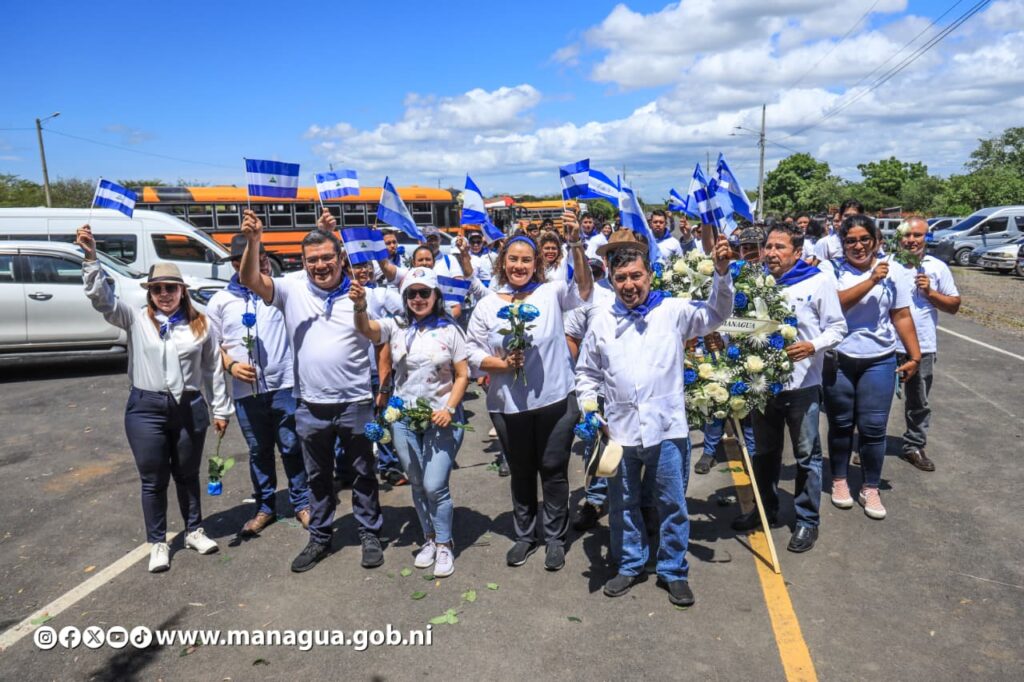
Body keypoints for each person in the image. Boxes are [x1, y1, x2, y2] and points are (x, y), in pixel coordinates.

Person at [575, 232, 734, 606]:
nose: (629, 285)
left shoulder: (674, 311)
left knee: (672, 503)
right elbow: (586, 373)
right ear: (611, 281)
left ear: (650, 276)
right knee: (623, 504)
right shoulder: (601, 321)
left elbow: (716, 315)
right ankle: (630, 564)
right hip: (620, 433)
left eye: (635, 276)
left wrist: (722, 275)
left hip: (667, 429)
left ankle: (673, 570)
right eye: (621, 278)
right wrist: (589, 409)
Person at [239, 209, 389, 572]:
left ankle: (370, 533)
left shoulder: (362, 294)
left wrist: (382, 389)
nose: (320, 265)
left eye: (326, 258)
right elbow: (250, 280)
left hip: (354, 402)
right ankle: (320, 537)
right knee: (317, 477)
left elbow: (382, 339)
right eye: (312, 260)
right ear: (302, 262)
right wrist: (253, 240)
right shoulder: (291, 288)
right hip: (309, 404)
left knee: (362, 472)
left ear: (340, 259)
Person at [76, 225, 231, 573]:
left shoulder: (200, 324)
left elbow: (213, 370)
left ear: (182, 291)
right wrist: (90, 258)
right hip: (146, 408)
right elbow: (101, 299)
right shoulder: (134, 318)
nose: (164, 294)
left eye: (170, 288)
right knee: (153, 478)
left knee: (188, 474)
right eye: (157, 289)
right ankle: (158, 542)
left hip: (189, 406)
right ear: (149, 293)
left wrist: (221, 409)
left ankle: (194, 529)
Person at [466, 211, 593, 570]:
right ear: (502, 263)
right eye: (513, 259)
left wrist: (576, 246)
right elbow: (472, 351)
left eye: (526, 259)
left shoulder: (551, 292)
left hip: (555, 399)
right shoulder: (489, 304)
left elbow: (583, 290)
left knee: (553, 468)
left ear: (536, 263)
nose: (519, 266)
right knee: (522, 471)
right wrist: (502, 365)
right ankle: (525, 535)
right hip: (508, 404)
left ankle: (555, 537)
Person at [732, 223, 847, 552]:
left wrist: (812, 346)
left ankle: (807, 520)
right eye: (768, 246)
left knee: (806, 456)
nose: (770, 253)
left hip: (802, 387)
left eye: (779, 247)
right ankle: (764, 509)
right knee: (764, 454)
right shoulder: (755, 282)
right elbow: (741, 323)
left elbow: (838, 328)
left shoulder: (819, 280)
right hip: (763, 386)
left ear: (798, 252)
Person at [351, 268, 470, 577]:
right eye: (411, 294)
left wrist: (449, 407)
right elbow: (367, 330)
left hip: (441, 418)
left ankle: (445, 543)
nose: (418, 299)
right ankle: (429, 538)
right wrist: (360, 305)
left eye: (424, 293)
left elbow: (462, 375)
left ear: (436, 296)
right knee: (416, 482)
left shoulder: (450, 329)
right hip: (403, 418)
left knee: (435, 485)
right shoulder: (397, 325)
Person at [206, 234, 310, 537]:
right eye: (248, 259)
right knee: (259, 451)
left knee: (291, 447)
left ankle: (302, 502)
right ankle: (265, 507)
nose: (258, 262)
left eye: (261, 256)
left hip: (284, 387)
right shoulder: (220, 301)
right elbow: (214, 348)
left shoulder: (279, 292)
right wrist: (232, 365)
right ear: (237, 264)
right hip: (246, 394)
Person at [823, 214, 921, 520]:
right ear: (842, 244)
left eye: (865, 239)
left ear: (876, 240)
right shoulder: (831, 270)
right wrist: (871, 280)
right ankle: (839, 480)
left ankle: (870, 486)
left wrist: (914, 356)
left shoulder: (893, 272)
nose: (858, 246)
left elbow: (901, 315)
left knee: (873, 428)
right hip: (839, 356)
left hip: (879, 358)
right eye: (850, 240)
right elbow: (835, 304)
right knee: (840, 425)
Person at [895, 217, 961, 471]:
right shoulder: (887, 265)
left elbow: (954, 306)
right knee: (875, 402)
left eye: (918, 235)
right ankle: (870, 445)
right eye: (907, 235)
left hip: (922, 345)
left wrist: (931, 293)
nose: (911, 240)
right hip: (888, 344)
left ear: (926, 238)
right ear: (899, 237)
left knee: (919, 401)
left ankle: (914, 445)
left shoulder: (937, 267)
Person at [564, 256, 618, 531]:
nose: (592, 276)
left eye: (596, 271)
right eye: (588, 272)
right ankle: (594, 500)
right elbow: (571, 338)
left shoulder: (622, 291)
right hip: (596, 385)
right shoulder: (581, 301)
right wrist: (571, 372)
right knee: (595, 444)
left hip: (629, 389)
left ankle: (641, 505)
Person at [812, 199, 862, 265]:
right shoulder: (826, 243)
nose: (850, 219)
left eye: (855, 216)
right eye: (846, 216)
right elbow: (816, 269)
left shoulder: (870, 240)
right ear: (841, 217)